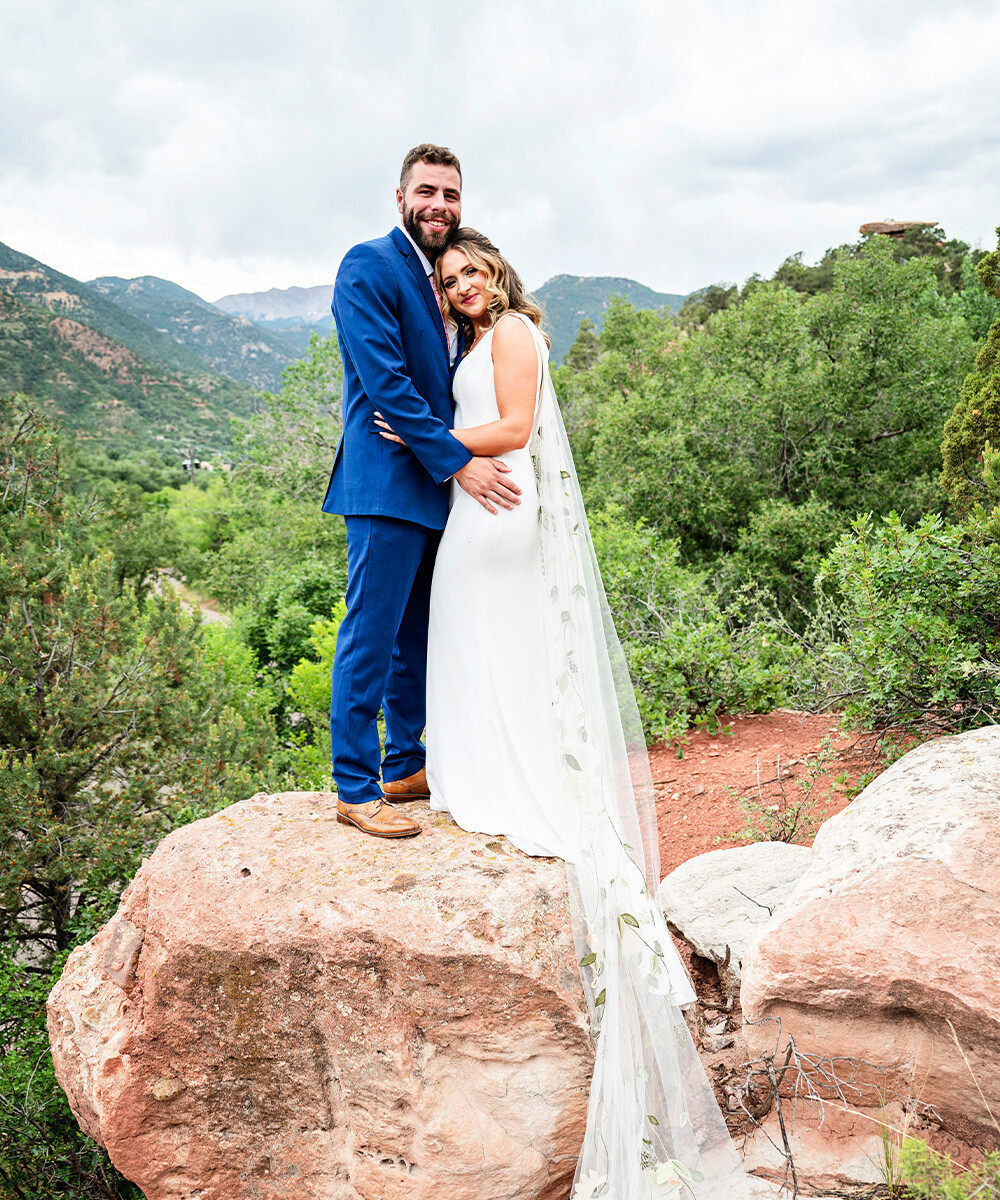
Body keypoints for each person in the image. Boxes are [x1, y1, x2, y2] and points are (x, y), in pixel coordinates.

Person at [376, 229, 750, 1200]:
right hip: (487, 507)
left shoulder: (508, 333)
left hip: (496, 514)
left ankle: (496, 780)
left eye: (472, 271)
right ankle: (480, 768)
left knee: (476, 632)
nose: (462, 285)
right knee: (476, 644)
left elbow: (509, 430)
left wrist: (421, 437)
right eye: (448, 277)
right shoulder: (481, 336)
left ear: (496, 272)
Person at [322, 145, 521, 840]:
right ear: (400, 195)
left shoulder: (438, 277)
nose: (440, 204)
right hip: (385, 484)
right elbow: (387, 384)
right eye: (428, 190)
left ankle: (408, 764)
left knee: (417, 640)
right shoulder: (368, 264)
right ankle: (354, 784)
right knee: (370, 637)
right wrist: (457, 462)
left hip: (435, 493)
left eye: (452, 194)